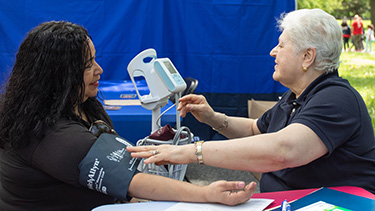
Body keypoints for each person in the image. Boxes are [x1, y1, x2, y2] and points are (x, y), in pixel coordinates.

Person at [0, 21, 256, 210]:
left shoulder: (83, 107)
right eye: (88, 65)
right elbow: (134, 181)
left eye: (95, 60)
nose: (99, 70)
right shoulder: (53, 137)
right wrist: (206, 194)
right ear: (60, 74)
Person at [128, 9, 375, 194]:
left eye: (281, 45)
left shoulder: (336, 98)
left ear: (307, 57)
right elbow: (256, 129)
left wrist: (190, 152)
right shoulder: (296, 95)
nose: (273, 52)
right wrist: (213, 118)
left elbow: (284, 150)